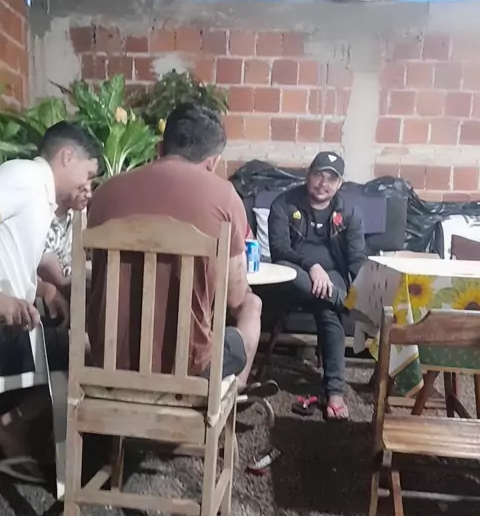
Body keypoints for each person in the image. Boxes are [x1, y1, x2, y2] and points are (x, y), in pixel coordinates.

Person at [88, 103, 265, 392]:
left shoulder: (105, 192)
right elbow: (234, 297)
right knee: (251, 305)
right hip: (188, 371)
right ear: (212, 162)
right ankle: (232, 393)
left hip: (107, 364)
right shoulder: (224, 197)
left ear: (160, 148)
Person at [0, 121, 99, 481]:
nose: (87, 186)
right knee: (88, 352)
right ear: (67, 156)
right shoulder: (24, 178)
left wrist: (47, 287)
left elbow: (22, 253)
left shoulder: (40, 196)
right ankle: (14, 427)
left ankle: (16, 428)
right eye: (88, 174)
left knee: (80, 347)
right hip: (4, 329)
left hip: (16, 324)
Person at [268, 151, 366, 420]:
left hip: (332, 278)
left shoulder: (349, 212)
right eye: (318, 175)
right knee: (295, 277)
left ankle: (334, 393)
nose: (323, 183)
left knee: (327, 309)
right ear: (308, 174)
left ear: (340, 183)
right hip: (294, 275)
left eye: (331, 179)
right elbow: (279, 251)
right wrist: (312, 266)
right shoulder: (284, 204)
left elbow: (356, 258)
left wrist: (366, 289)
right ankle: (347, 305)